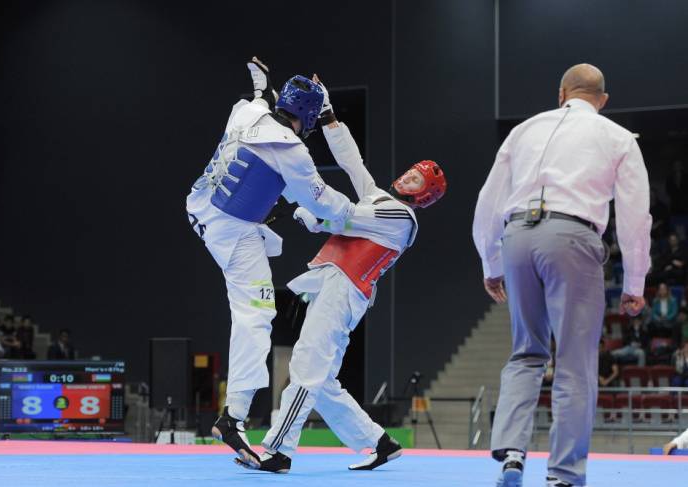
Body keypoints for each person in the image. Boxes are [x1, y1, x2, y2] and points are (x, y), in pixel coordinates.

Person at [235, 75, 447, 473]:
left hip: (345, 288)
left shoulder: (401, 217)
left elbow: (344, 215)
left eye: (416, 179)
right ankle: (378, 442)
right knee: (324, 382)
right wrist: (330, 117)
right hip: (337, 286)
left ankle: (277, 449)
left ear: (423, 196)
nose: (407, 175)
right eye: (410, 170)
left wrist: (308, 213)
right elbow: (353, 162)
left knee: (306, 366)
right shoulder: (383, 199)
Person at [472, 63, 651, 487]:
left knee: (526, 352)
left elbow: (488, 202)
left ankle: (513, 454)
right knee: (574, 362)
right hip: (572, 238)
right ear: (602, 101)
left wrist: (490, 262)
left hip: (516, 237)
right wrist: (635, 283)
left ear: (561, 93)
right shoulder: (618, 137)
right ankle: (563, 475)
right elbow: (634, 217)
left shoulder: (525, 130)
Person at [185, 58, 354, 467]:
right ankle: (233, 417)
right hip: (233, 233)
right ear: (309, 117)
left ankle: (235, 415)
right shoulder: (291, 149)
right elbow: (320, 200)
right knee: (256, 314)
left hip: (199, 206)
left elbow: (256, 102)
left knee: (269, 205)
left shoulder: (248, 110)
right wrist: (357, 211)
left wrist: (262, 89)